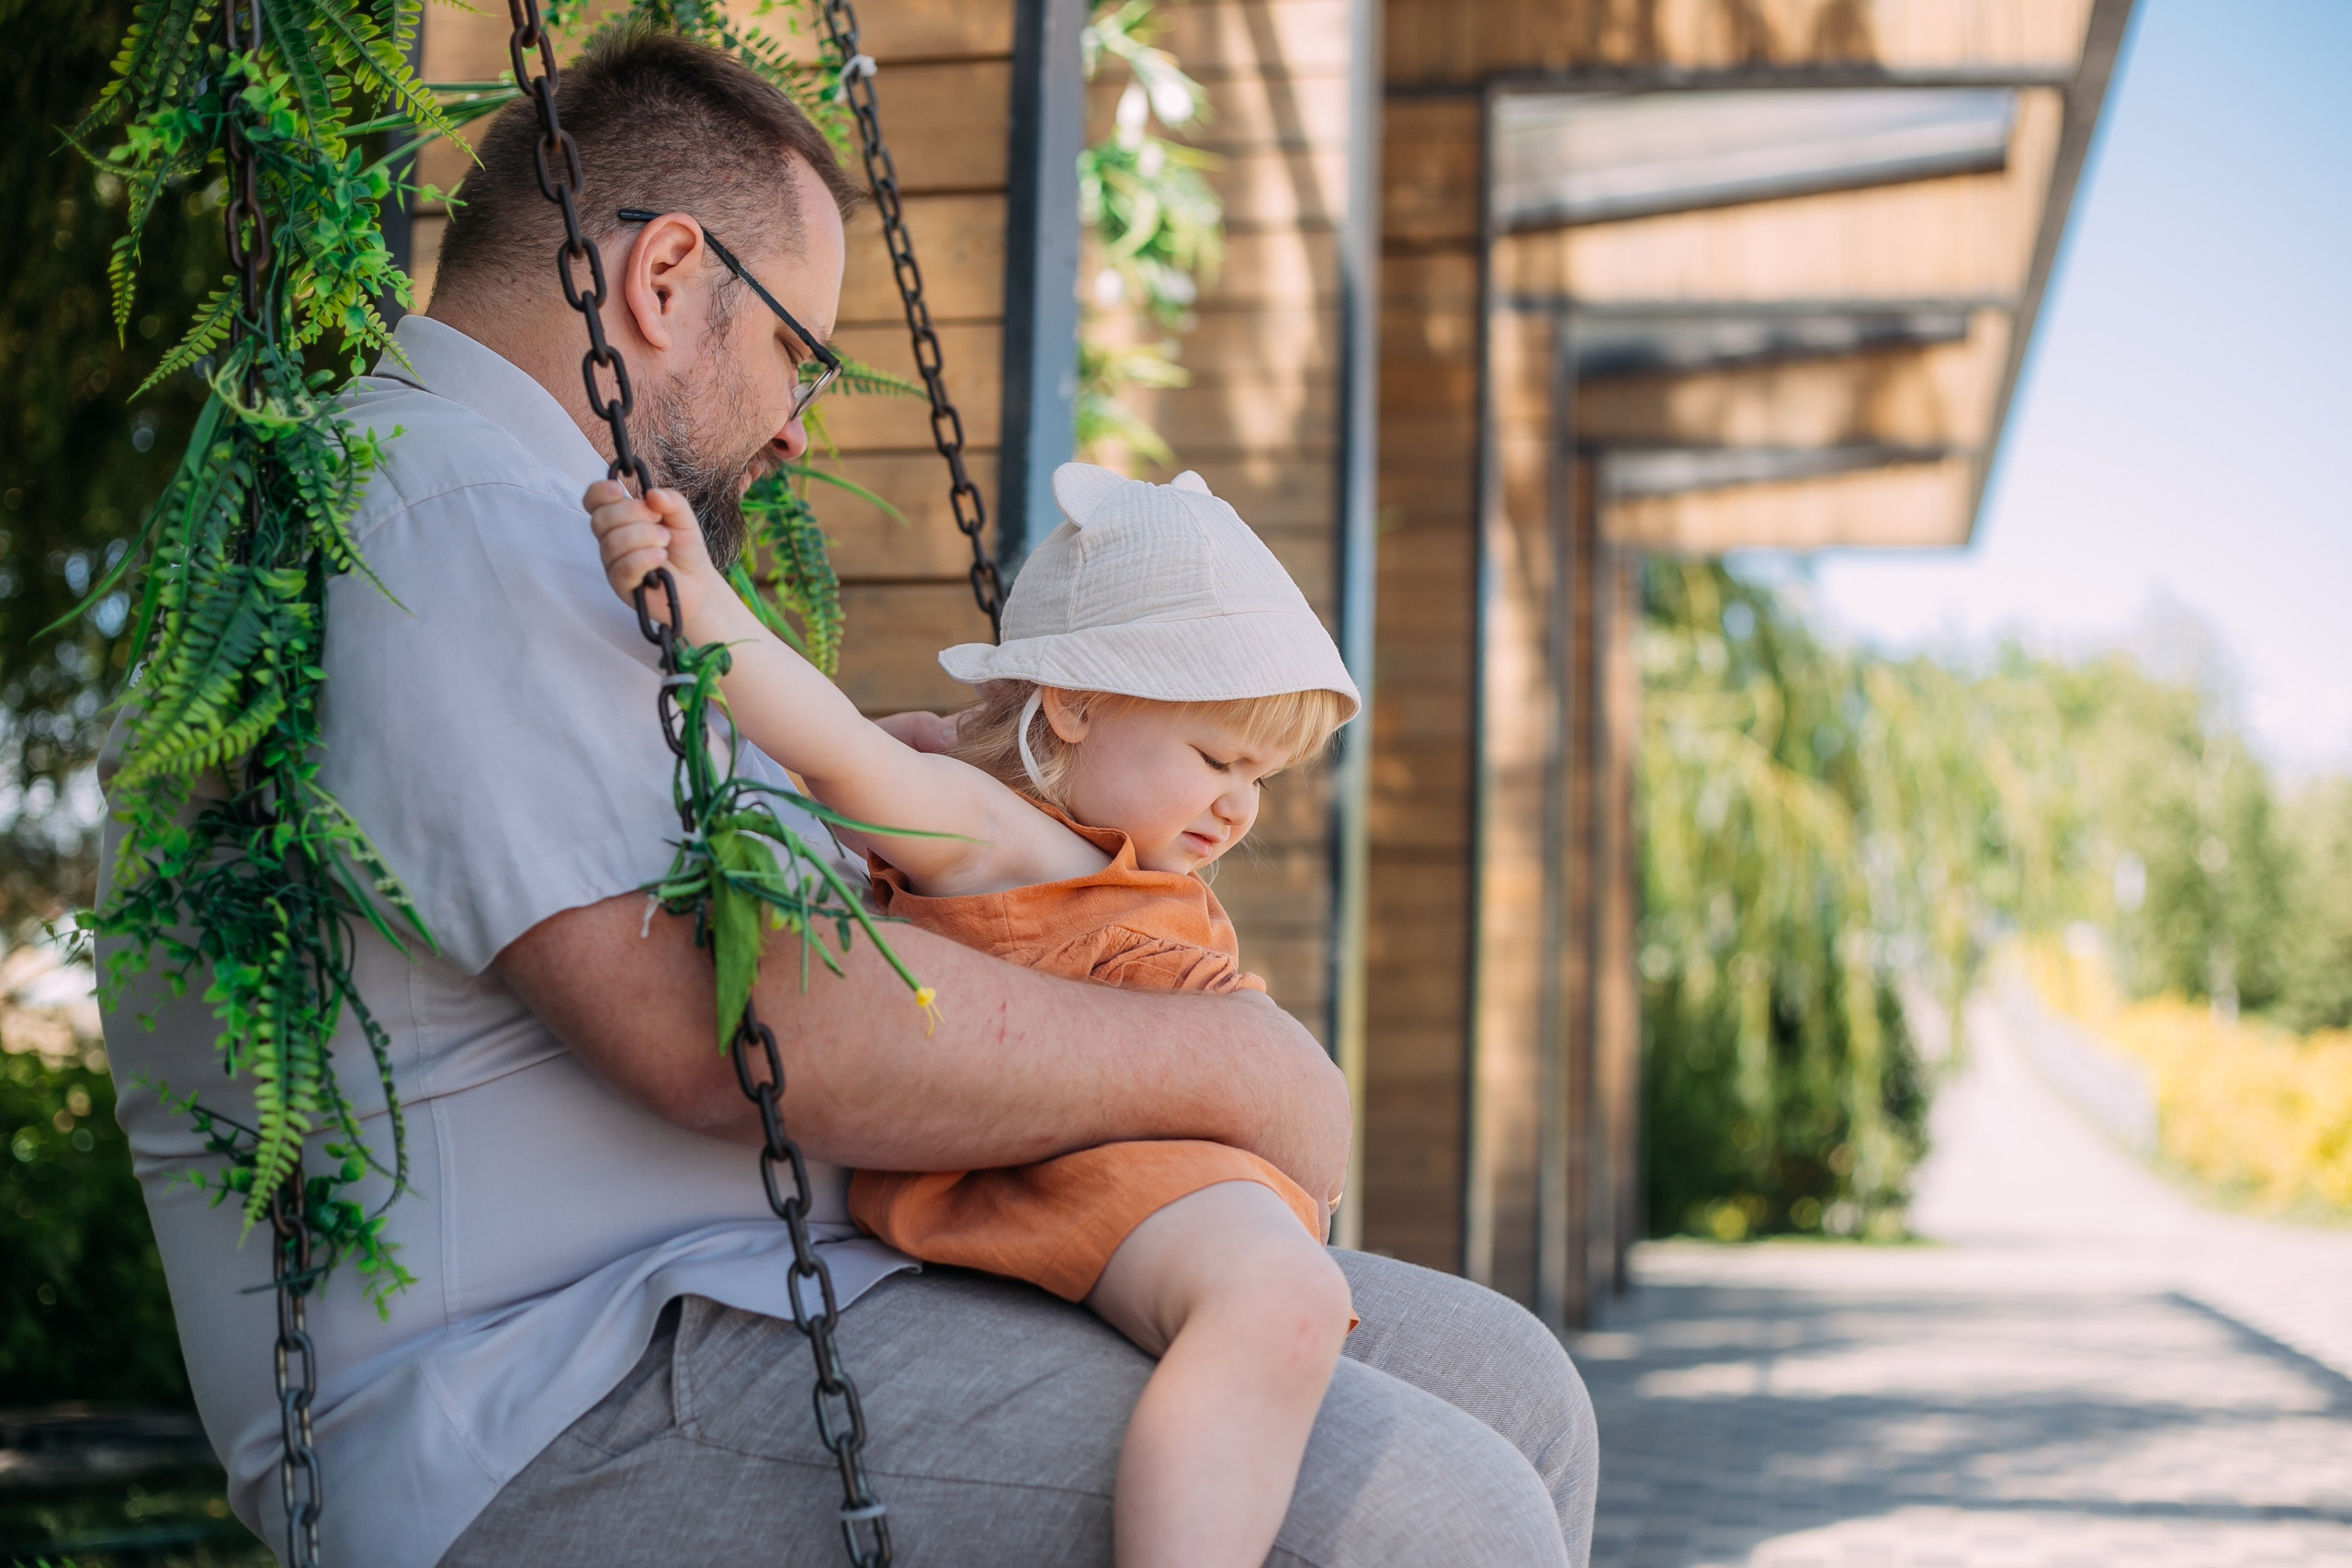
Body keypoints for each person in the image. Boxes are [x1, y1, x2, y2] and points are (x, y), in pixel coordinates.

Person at [98, 28, 1600, 1568]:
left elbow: (807, 875)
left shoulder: (546, 516)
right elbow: (723, 1031)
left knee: (1511, 1384)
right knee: (1427, 1512)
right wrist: (1230, 1062)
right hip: (549, 1382)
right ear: (664, 279)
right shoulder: (450, 506)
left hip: (755, 1280)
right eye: (798, 353)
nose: (805, 423)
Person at [588, 456, 1363, 1567]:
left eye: (1262, 778)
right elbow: (836, 750)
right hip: (1069, 1174)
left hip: (1163, 1185)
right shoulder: (995, 831)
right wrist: (703, 602)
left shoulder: (1119, 861)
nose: (1238, 804)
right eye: (1213, 757)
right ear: (1079, 703)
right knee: (1282, 1303)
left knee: (1289, 1307)